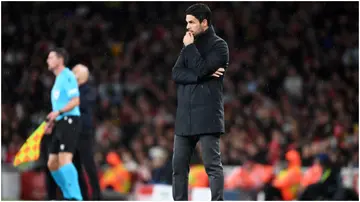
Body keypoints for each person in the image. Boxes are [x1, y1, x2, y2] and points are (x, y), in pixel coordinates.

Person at [171, 3, 229, 201]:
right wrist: (201, 75)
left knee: (212, 166)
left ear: (204, 23)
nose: (187, 26)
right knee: (178, 168)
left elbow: (202, 68)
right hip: (184, 117)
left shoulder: (219, 46)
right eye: (186, 22)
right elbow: (176, 73)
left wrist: (190, 49)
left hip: (207, 116)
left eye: (191, 22)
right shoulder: (189, 45)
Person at [45, 48, 83, 200]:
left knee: (64, 160)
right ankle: (68, 195)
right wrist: (52, 121)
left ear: (60, 60)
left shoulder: (67, 76)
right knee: (52, 163)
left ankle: (76, 197)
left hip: (70, 121)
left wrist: (59, 113)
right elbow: (59, 105)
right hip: (60, 122)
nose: (48, 60)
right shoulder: (58, 79)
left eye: (51, 57)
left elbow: (75, 101)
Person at [72, 64, 102, 200]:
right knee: (75, 165)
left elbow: (84, 103)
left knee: (88, 164)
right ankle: (83, 195)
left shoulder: (89, 90)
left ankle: (97, 195)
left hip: (84, 132)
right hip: (72, 131)